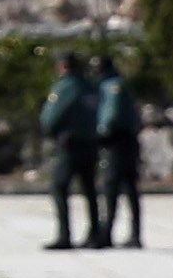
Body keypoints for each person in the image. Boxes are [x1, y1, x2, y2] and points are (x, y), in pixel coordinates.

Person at [42, 53, 103, 251]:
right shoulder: (91, 87)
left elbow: (51, 117)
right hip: (91, 143)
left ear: (62, 67)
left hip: (70, 145)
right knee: (89, 189)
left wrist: (49, 130)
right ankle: (95, 233)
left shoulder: (66, 87)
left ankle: (64, 235)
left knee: (60, 188)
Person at [88, 58, 148, 250]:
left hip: (116, 143)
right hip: (128, 142)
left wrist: (102, 132)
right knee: (130, 189)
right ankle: (135, 233)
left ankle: (107, 234)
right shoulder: (118, 84)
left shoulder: (112, 86)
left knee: (112, 187)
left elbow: (110, 114)